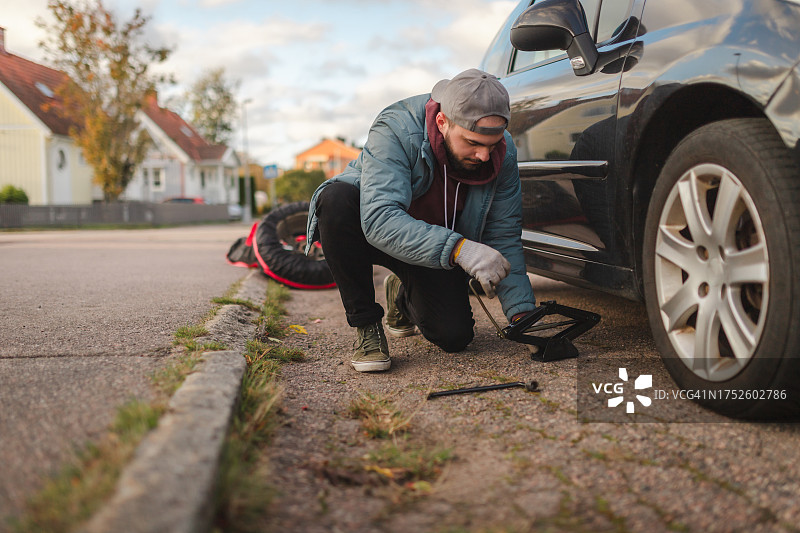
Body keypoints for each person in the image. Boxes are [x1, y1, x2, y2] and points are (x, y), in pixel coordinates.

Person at [305, 68, 536, 372]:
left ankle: (402, 297)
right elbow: (379, 219)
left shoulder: (501, 153)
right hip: (372, 231)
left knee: (454, 336)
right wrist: (462, 250)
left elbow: (503, 234)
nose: (483, 155)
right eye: (472, 143)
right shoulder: (395, 127)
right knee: (335, 199)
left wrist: (523, 316)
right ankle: (367, 327)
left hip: (434, 248)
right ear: (442, 122)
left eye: (491, 145)